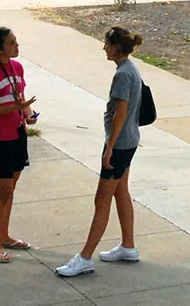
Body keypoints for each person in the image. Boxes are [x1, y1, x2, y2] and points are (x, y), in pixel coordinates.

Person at [56, 27, 144, 277]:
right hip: (129, 141)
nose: (104, 48)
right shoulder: (130, 69)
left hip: (120, 144)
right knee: (120, 192)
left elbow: (121, 113)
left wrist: (110, 148)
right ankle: (128, 246)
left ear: (116, 47)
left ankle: (84, 258)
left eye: (106, 44)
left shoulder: (123, 75)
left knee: (102, 199)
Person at [0, 27, 38, 263]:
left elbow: (20, 99)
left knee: (10, 187)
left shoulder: (16, 67)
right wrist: (14, 109)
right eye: (12, 43)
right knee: (2, 190)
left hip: (17, 134)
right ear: (0, 48)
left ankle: (5, 235)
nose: (17, 45)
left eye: (16, 41)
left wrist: (28, 113)